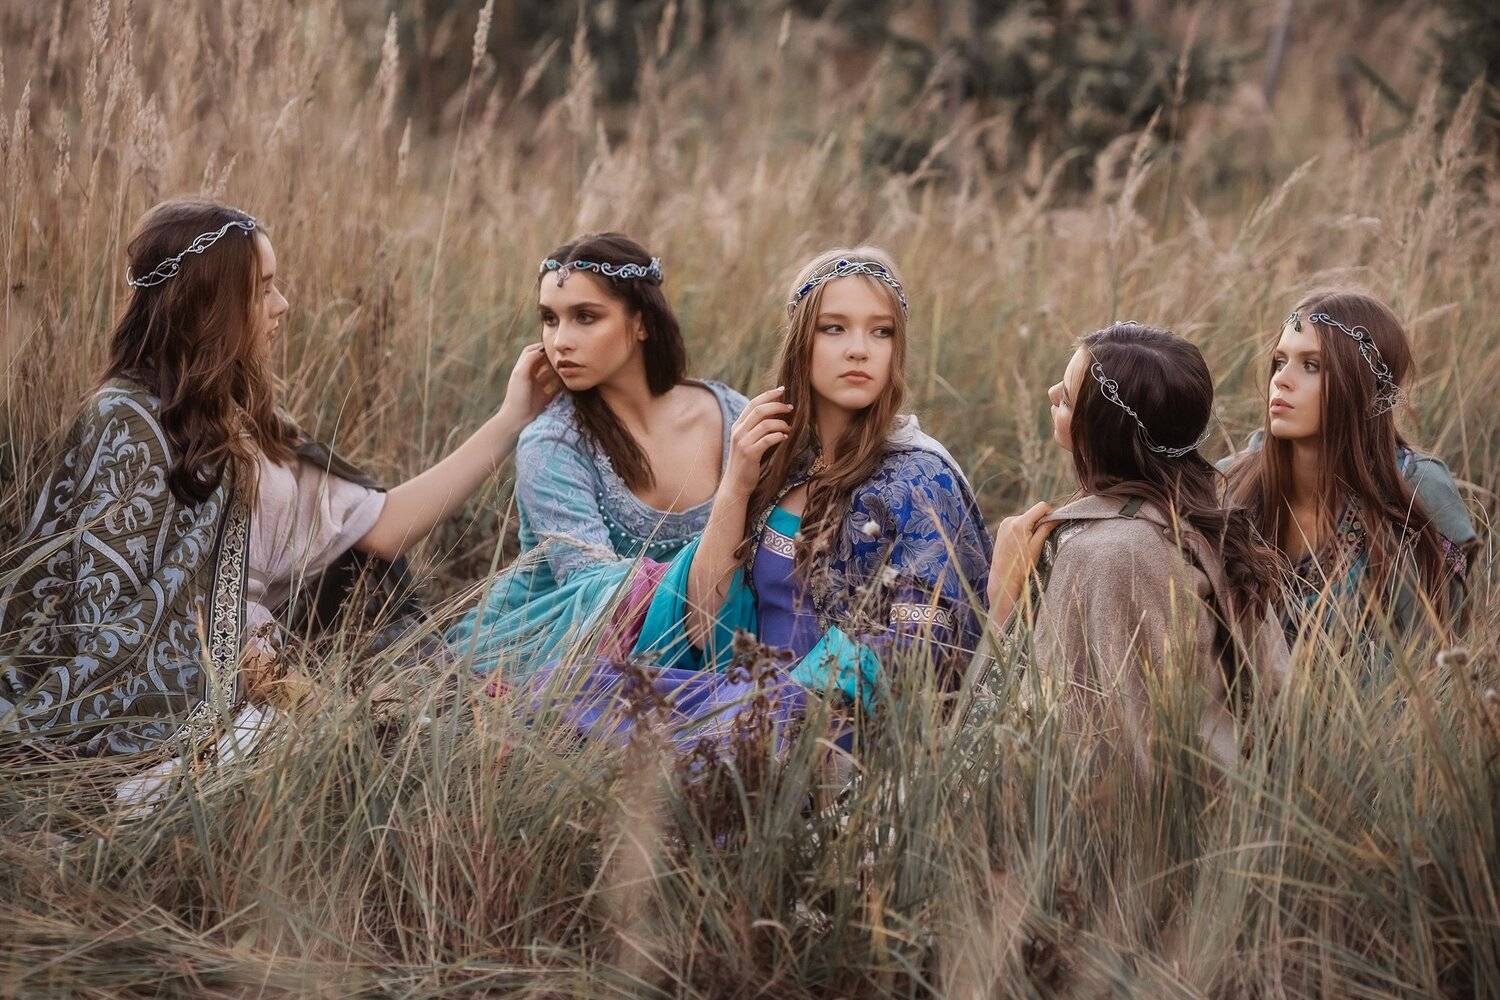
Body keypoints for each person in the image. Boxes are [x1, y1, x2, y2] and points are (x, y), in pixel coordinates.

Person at [0, 198, 557, 757]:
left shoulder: (243, 416)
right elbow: (112, 613)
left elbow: (383, 528)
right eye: (262, 289)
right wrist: (246, 659)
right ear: (208, 305)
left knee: (421, 696)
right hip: (209, 677)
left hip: (280, 649)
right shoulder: (125, 421)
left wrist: (511, 418)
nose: (283, 304)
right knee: (310, 749)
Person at [536, 247, 991, 746]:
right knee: (558, 689)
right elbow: (703, 627)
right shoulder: (781, 465)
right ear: (800, 342)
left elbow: (922, 644)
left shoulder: (917, 479)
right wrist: (737, 483)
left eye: (881, 332)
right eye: (834, 328)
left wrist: (772, 706)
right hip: (741, 697)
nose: (860, 350)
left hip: (823, 728)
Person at [983, 322, 1288, 776]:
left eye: (1067, 397)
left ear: (1102, 431)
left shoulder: (1106, 554)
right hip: (1227, 801)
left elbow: (1066, 738)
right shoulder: (1201, 524)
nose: (1051, 393)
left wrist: (1003, 602)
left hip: (1142, 815)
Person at [447, 233, 747, 678]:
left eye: (585, 317)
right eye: (550, 320)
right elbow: (596, 590)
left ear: (641, 322)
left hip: (713, 637)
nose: (560, 341)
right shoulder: (552, 443)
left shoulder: (731, 415)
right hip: (552, 653)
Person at [1222, 290, 1477, 654]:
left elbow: (1436, 657)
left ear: (1364, 386)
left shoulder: (1416, 490)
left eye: (1312, 366)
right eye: (1280, 362)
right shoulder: (1231, 483)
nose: (1281, 380)